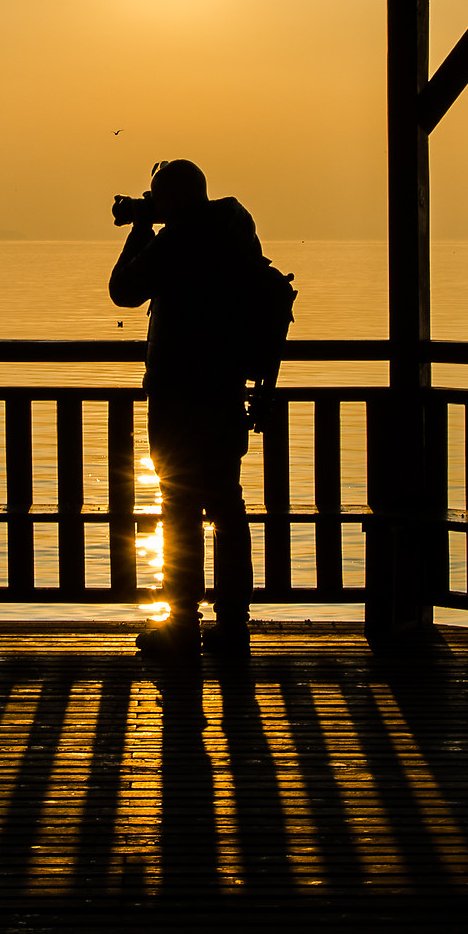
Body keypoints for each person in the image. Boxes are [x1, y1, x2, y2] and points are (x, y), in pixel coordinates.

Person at [108, 158, 265, 661]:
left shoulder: (179, 239)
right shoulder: (234, 230)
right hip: (224, 393)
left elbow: (124, 291)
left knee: (178, 508)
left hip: (178, 398)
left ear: (174, 198)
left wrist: (140, 227)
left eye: (157, 196)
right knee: (227, 507)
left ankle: (181, 626)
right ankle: (234, 625)